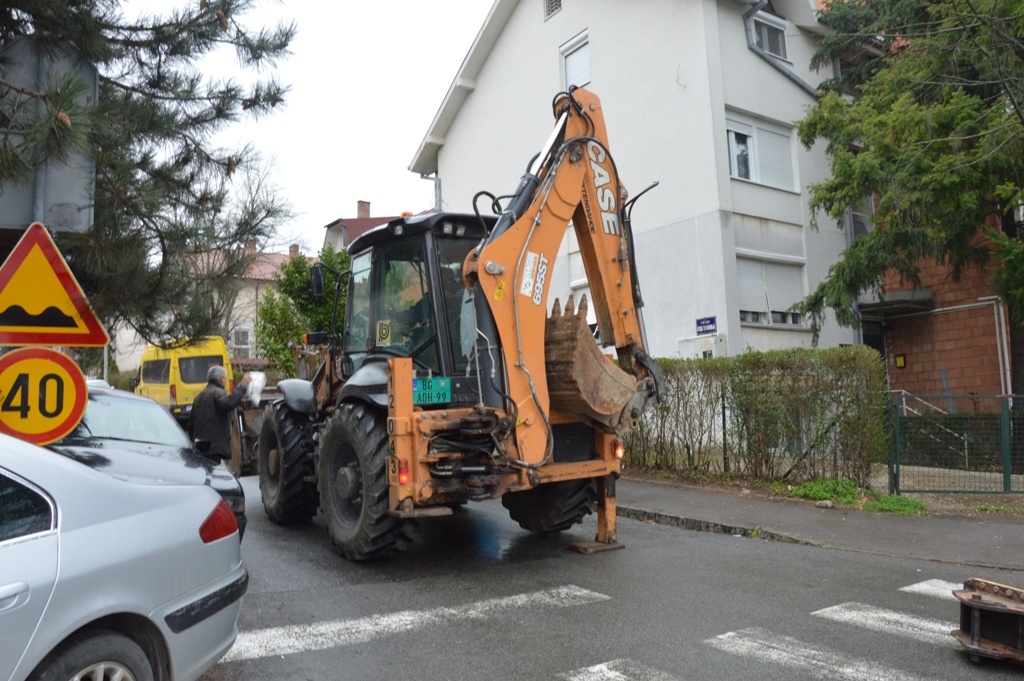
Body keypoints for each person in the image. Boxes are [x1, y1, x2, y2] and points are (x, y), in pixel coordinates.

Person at [188, 365, 251, 460]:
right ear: (221, 379)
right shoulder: (217, 392)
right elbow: (228, 404)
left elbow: (190, 425)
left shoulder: (199, 397)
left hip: (200, 446)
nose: (225, 381)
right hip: (214, 447)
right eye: (225, 378)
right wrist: (242, 386)